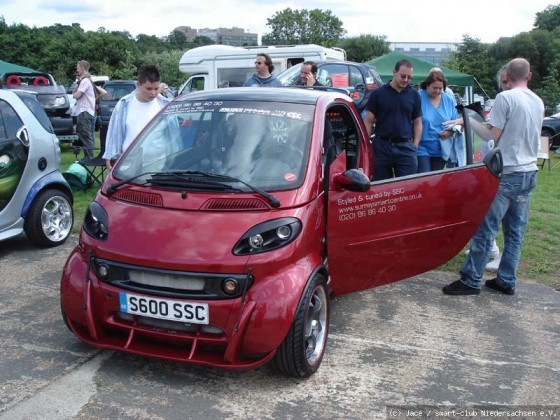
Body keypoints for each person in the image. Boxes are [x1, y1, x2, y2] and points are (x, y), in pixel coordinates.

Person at [443, 58, 544, 296]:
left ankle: (471, 280)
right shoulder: (538, 101)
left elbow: (492, 135)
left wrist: (468, 122)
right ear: (528, 76)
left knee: (486, 228)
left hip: (507, 173)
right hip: (528, 171)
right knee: (515, 232)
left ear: (506, 75)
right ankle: (506, 279)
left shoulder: (505, 98)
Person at [363, 59, 422, 180]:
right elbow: (368, 121)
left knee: (407, 187)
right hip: (382, 147)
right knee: (381, 187)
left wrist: (415, 145)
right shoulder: (377, 94)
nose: (406, 80)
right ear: (394, 72)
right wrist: (365, 145)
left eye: (409, 77)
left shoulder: (414, 95)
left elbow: (418, 122)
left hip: (406, 147)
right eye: (403, 76)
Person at [103, 65, 169, 169]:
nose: (153, 93)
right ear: (138, 85)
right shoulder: (124, 104)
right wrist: (110, 156)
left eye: (156, 89)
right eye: (149, 88)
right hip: (128, 163)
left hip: (158, 163)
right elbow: (114, 133)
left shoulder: (165, 105)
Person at [417, 70, 459, 172]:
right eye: (434, 88)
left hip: (441, 148)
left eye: (440, 88)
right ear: (427, 85)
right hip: (421, 147)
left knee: (435, 180)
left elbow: (456, 122)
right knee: (425, 177)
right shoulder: (417, 97)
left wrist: (450, 132)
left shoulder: (448, 100)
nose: (437, 91)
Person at [72, 60, 96, 158]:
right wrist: (77, 83)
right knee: (84, 135)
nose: (77, 70)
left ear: (82, 68)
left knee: (86, 135)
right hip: (84, 111)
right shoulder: (83, 81)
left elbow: (77, 95)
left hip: (85, 111)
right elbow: (74, 91)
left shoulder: (85, 81)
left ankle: (89, 158)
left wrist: (73, 95)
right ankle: (87, 157)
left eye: (78, 68)